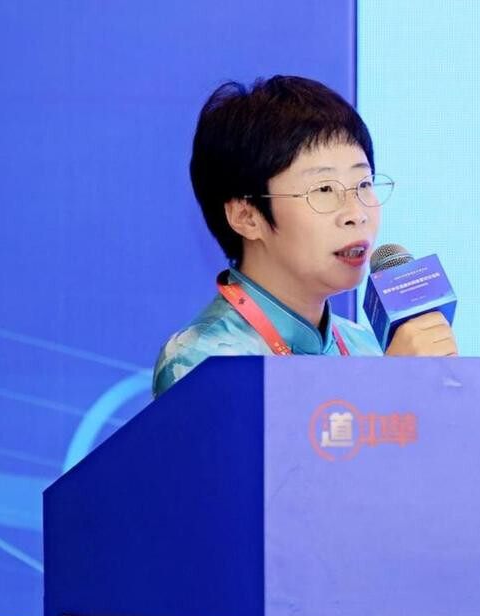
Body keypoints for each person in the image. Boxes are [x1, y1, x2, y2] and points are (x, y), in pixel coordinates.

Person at [153, 75, 457, 397]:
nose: (356, 213)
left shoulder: (368, 348)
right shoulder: (204, 360)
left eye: (364, 184)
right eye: (323, 189)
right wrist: (388, 389)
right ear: (247, 216)